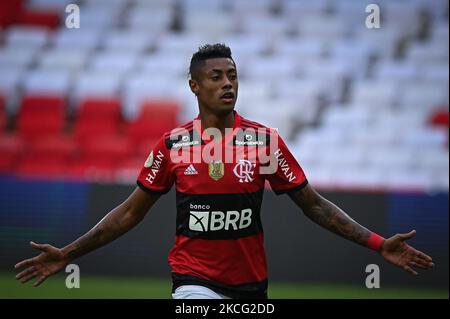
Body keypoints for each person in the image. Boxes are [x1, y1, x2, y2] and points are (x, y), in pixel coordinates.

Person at [15, 43, 434, 299]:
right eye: (215, 76)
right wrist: (68, 254)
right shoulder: (174, 146)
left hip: (252, 285)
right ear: (195, 86)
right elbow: (128, 213)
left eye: (232, 75)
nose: (227, 83)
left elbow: (315, 207)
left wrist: (378, 244)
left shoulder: (264, 142)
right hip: (193, 281)